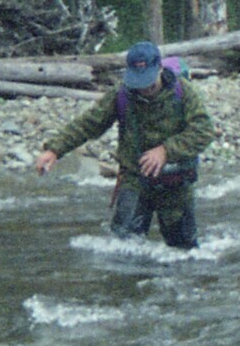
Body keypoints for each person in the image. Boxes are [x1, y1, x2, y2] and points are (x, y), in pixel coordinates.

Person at [35, 41, 217, 249]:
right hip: (135, 180)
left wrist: (166, 151)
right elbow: (89, 123)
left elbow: (203, 131)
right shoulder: (122, 94)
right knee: (122, 249)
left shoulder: (183, 92)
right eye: (138, 81)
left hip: (176, 182)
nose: (144, 88)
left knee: (184, 252)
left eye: (148, 81)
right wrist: (54, 150)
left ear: (159, 68)